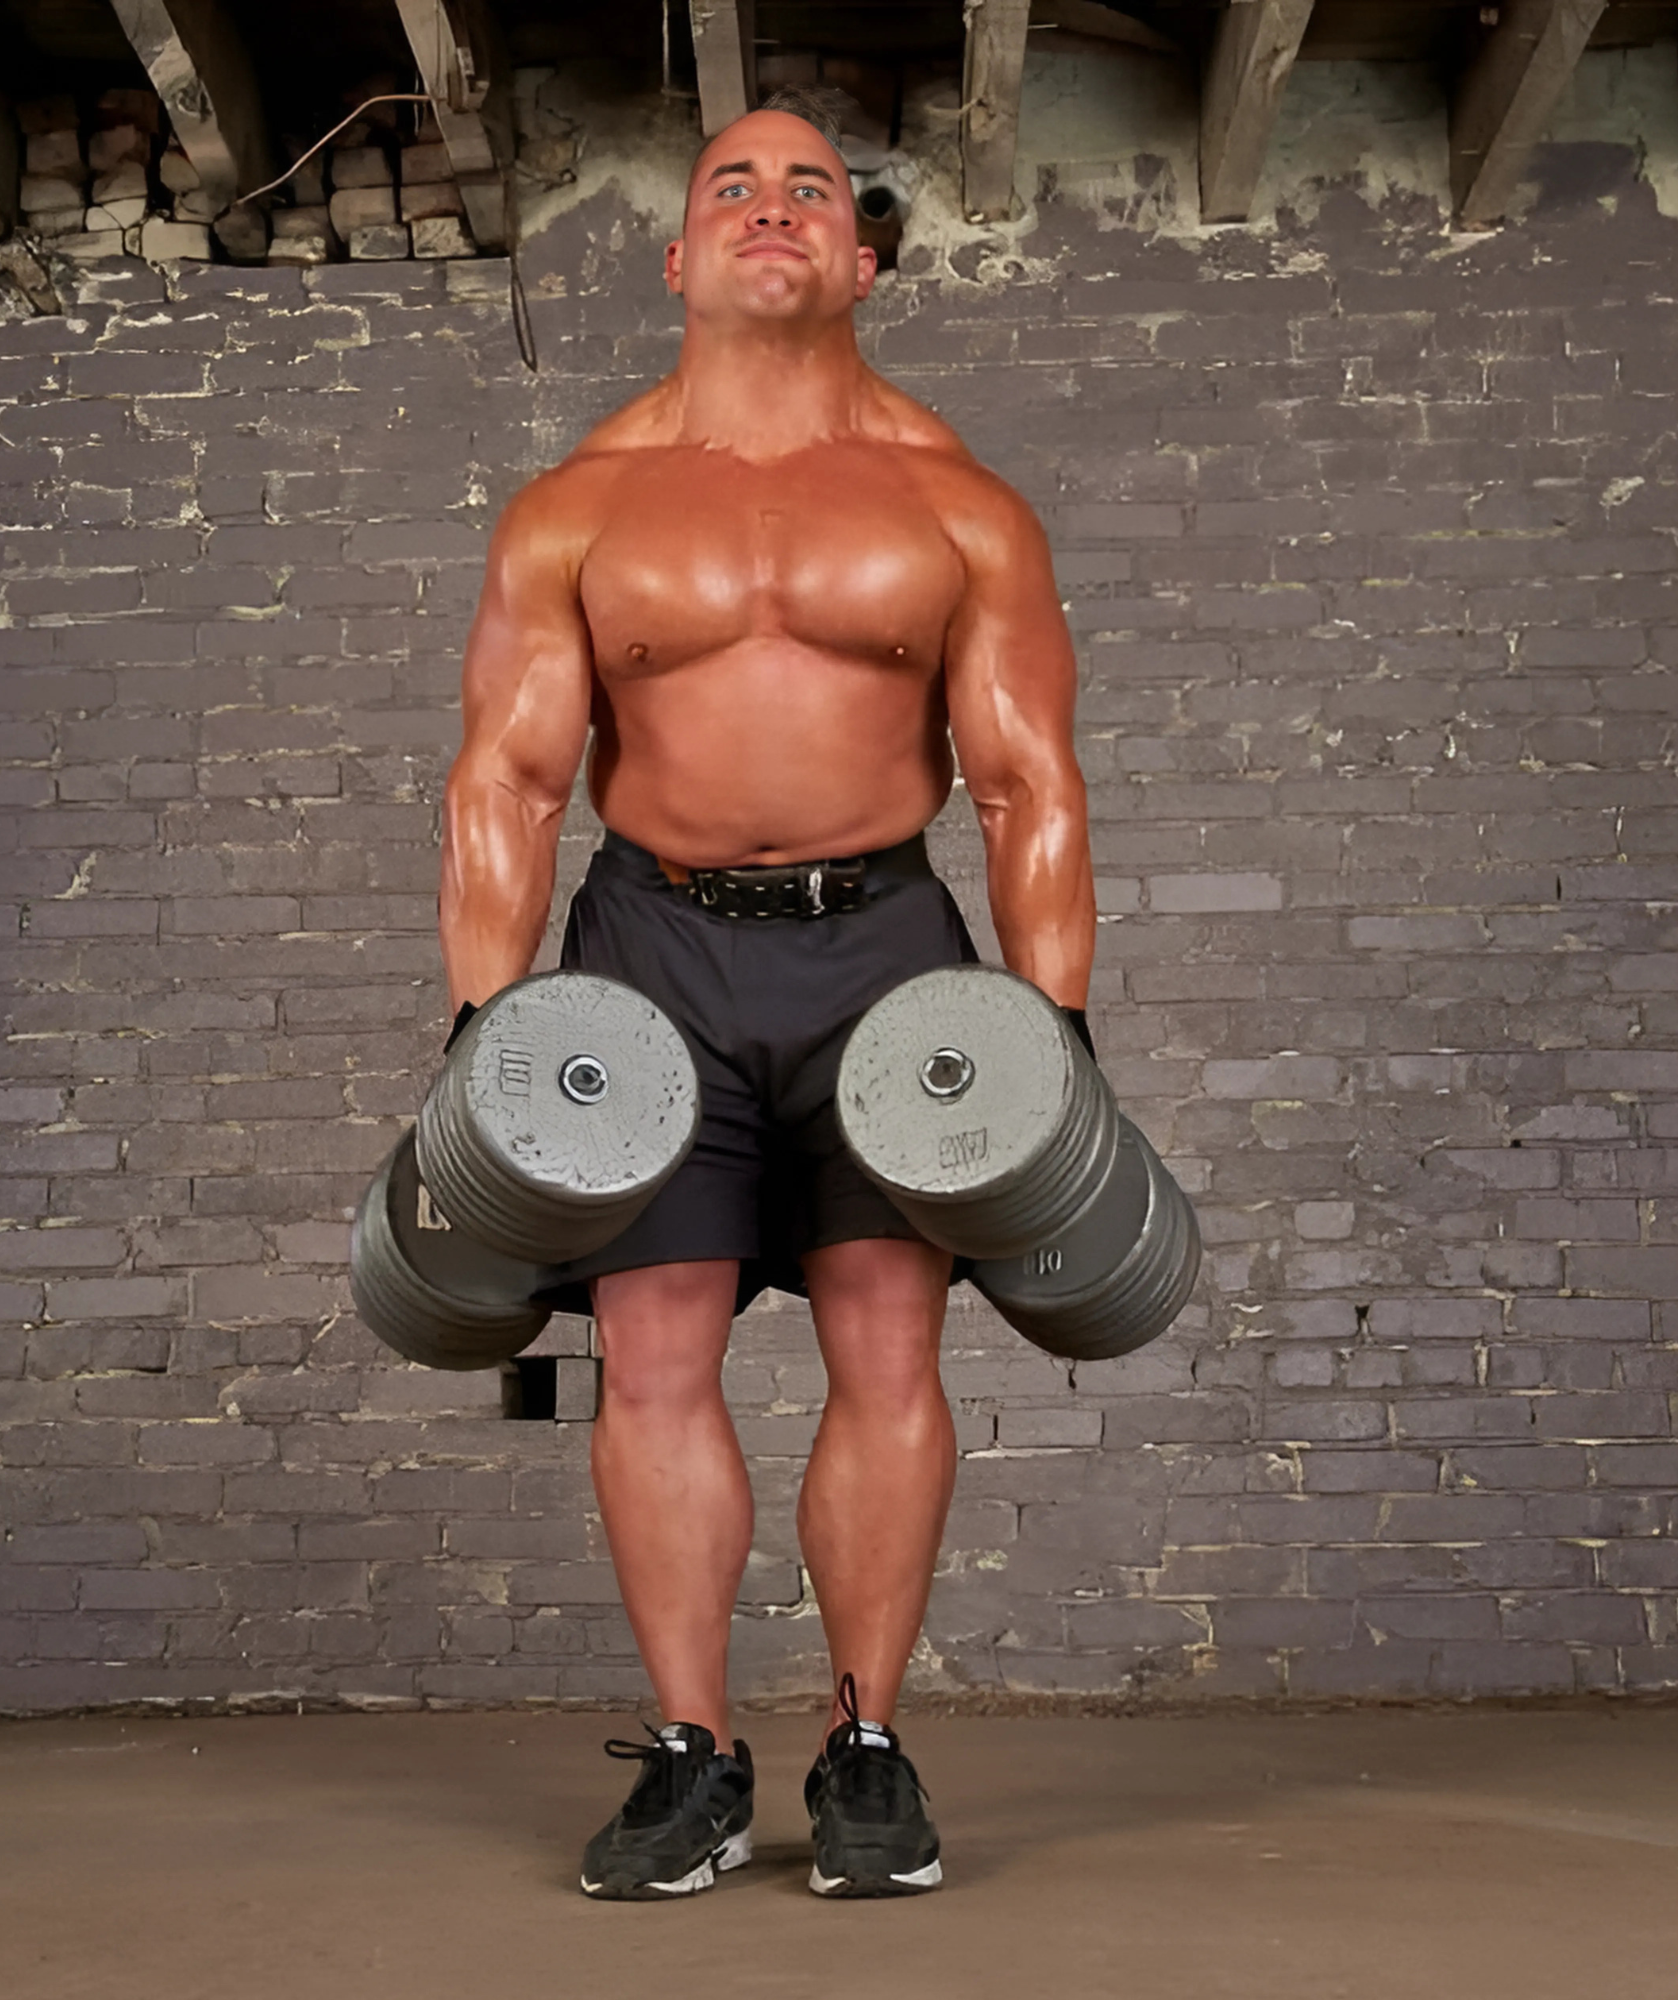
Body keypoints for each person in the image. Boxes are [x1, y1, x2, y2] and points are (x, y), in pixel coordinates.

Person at [438, 101, 1094, 1900]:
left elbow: (1031, 785)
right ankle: (693, 1758)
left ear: (861, 259)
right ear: (680, 256)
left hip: (884, 948)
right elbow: (505, 782)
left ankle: (865, 1745)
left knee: (891, 1342)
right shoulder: (579, 505)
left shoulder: (958, 503)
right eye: (733, 184)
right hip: (651, 951)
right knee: (653, 1351)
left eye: (811, 186)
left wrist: (1058, 1028)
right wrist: (489, 1031)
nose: (772, 205)